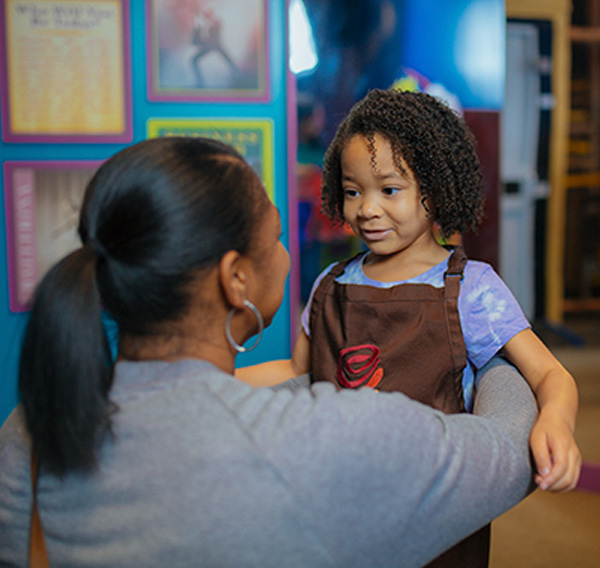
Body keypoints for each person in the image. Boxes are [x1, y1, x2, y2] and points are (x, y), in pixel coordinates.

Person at [0, 136, 537, 568]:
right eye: (277, 237)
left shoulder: (30, 427)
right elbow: (506, 454)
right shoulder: (329, 441)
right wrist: (490, 354)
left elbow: (281, 382)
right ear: (237, 279)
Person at [238, 90, 581, 563]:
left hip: (435, 512)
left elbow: (548, 374)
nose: (367, 209)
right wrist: (209, 380)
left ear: (435, 189)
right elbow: (297, 371)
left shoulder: (472, 288)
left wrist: (556, 424)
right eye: (353, 190)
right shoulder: (330, 283)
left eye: (389, 190)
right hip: (337, 501)